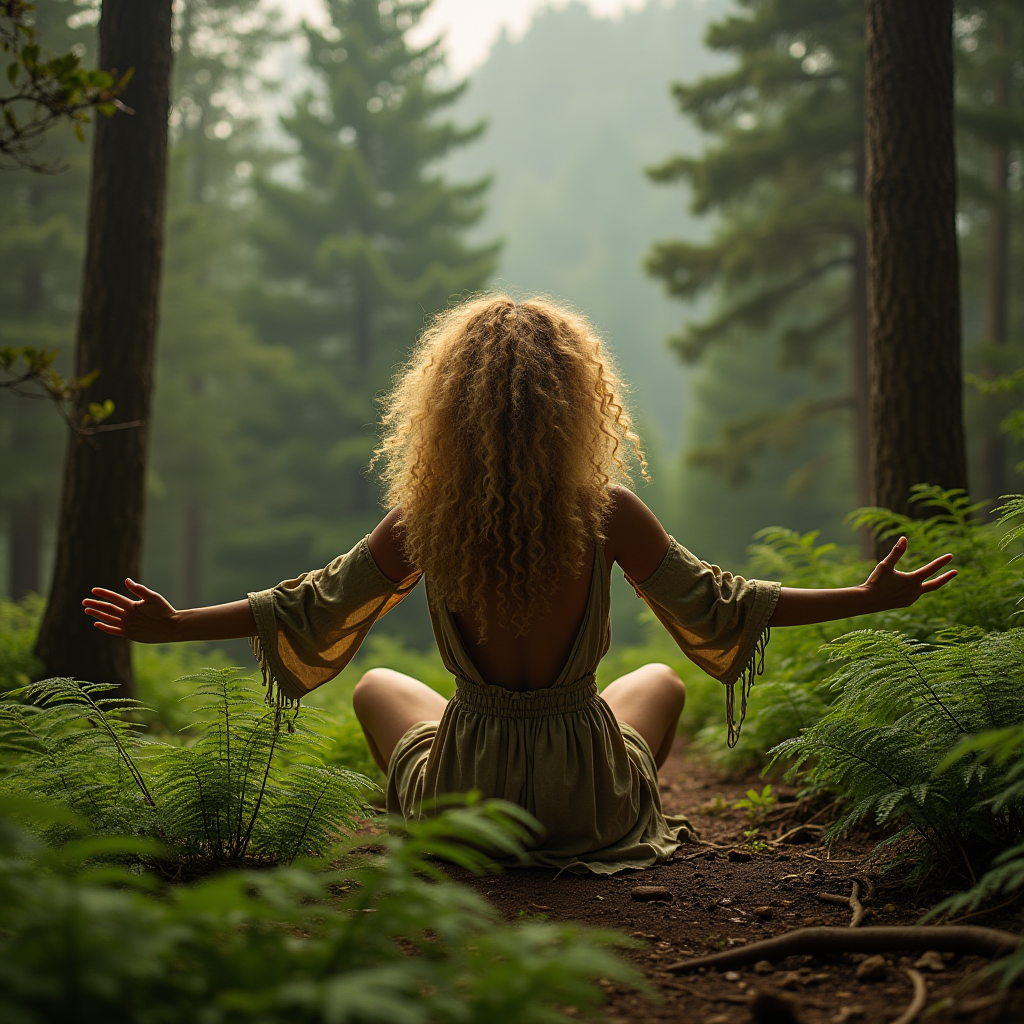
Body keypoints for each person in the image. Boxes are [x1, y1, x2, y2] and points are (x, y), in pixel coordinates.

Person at [82, 295, 956, 875]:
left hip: (466, 795)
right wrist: (865, 597)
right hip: (591, 805)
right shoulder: (607, 510)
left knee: (383, 686)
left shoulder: (425, 519)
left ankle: (475, 824)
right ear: (578, 400)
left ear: (446, 406)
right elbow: (725, 604)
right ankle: (593, 797)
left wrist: (172, 625)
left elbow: (312, 604)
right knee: (654, 683)